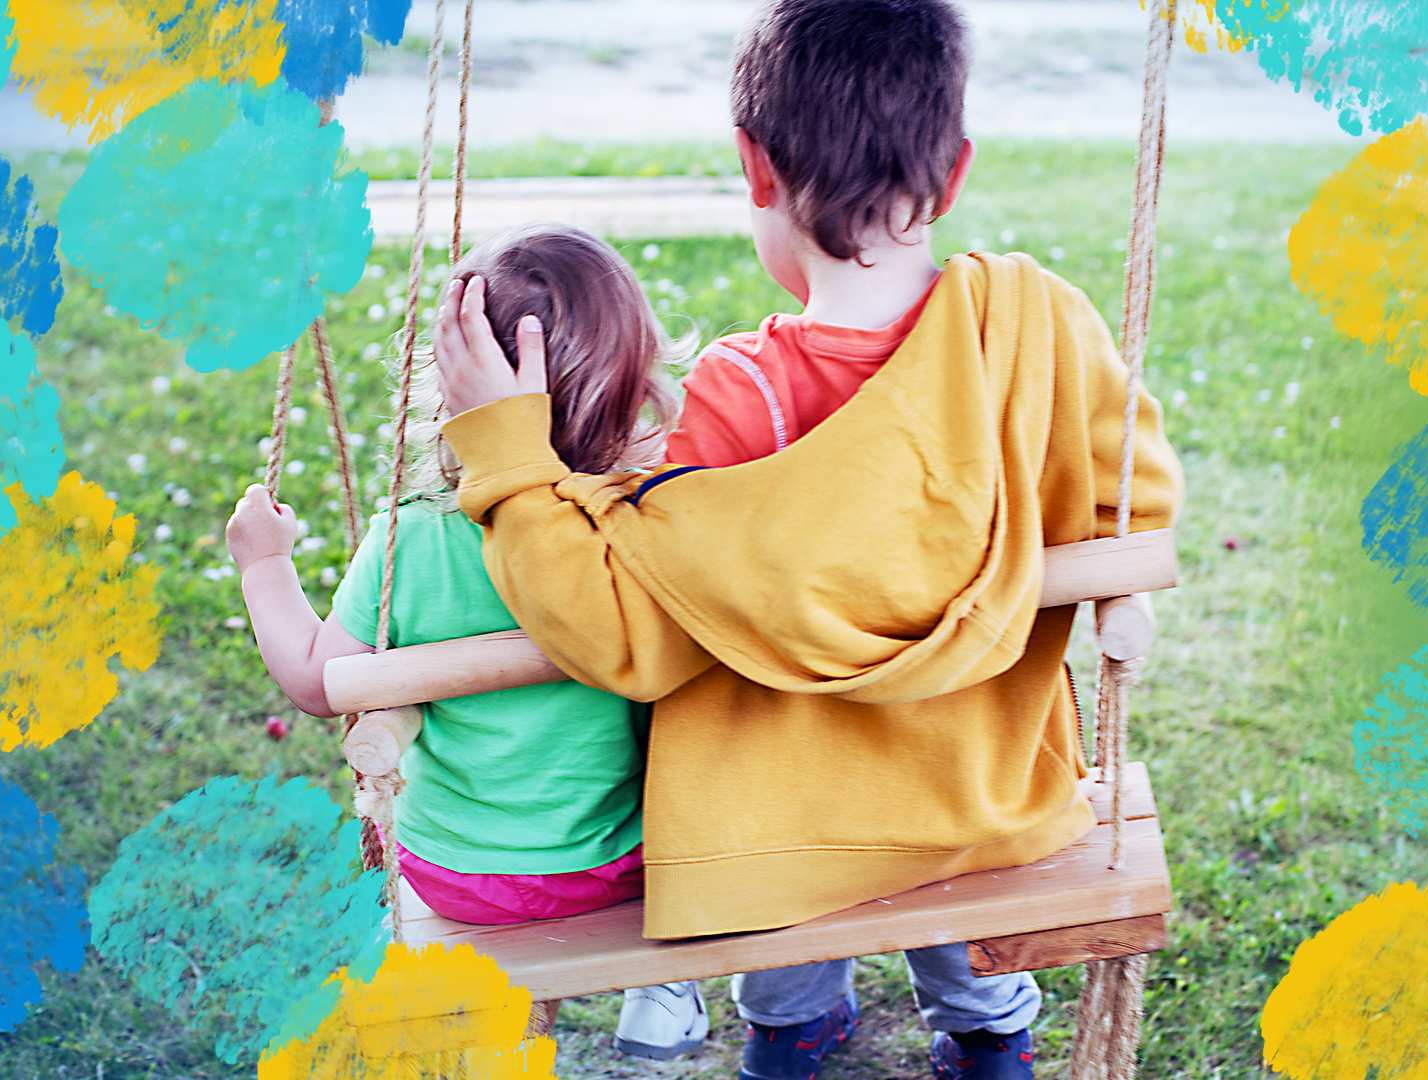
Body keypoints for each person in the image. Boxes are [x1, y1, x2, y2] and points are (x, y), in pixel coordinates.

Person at [431, 2, 1183, 1076]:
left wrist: (509, 455)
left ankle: (792, 1032)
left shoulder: (733, 404)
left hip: (777, 847)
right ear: (955, 173)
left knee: (771, 888)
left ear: (754, 167)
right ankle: (988, 1032)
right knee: (948, 894)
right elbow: (1132, 501)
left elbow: (615, 634)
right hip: (985, 797)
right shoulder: (1034, 333)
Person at [223, 224, 710, 1060]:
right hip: (627, 872)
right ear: (636, 379)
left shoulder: (412, 542)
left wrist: (264, 565)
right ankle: (665, 985)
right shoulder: (646, 522)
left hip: (462, 878)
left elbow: (313, 681)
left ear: (449, 388)